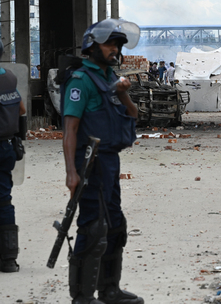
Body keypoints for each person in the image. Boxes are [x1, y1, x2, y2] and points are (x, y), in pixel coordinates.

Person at [62, 19, 144, 304]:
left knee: (115, 225)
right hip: (89, 163)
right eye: (110, 44)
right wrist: (71, 173)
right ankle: (82, 297)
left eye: (119, 45)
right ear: (92, 45)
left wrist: (123, 93)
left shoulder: (111, 79)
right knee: (93, 228)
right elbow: (70, 129)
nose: (115, 50)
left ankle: (110, 289)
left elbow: (132, 116)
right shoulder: (80, 80)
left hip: (110, 162)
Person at [0, 42, 27, 273]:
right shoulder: (9, 77)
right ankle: (8, 258)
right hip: (6, 147)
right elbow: (21, 109)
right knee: (4, 199)